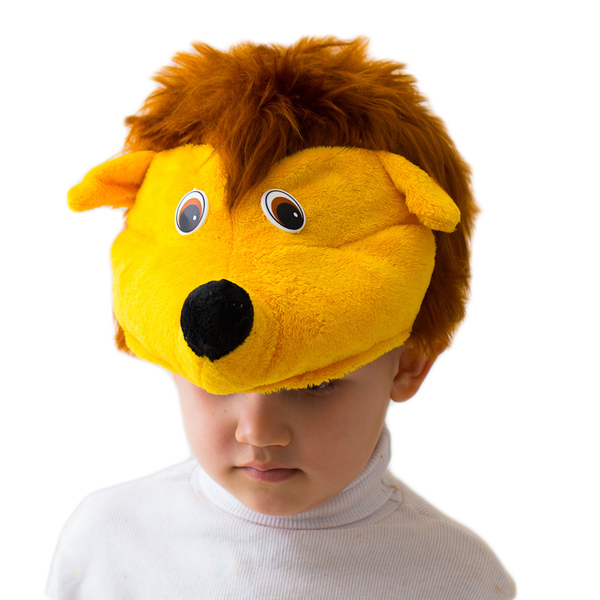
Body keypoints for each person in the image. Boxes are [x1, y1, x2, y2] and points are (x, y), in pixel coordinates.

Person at [47, 37, 516, 599]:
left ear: (409, 363)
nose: (257, 432)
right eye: (218, 381)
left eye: (313, 383)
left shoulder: (457, 578)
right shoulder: (107, 543)